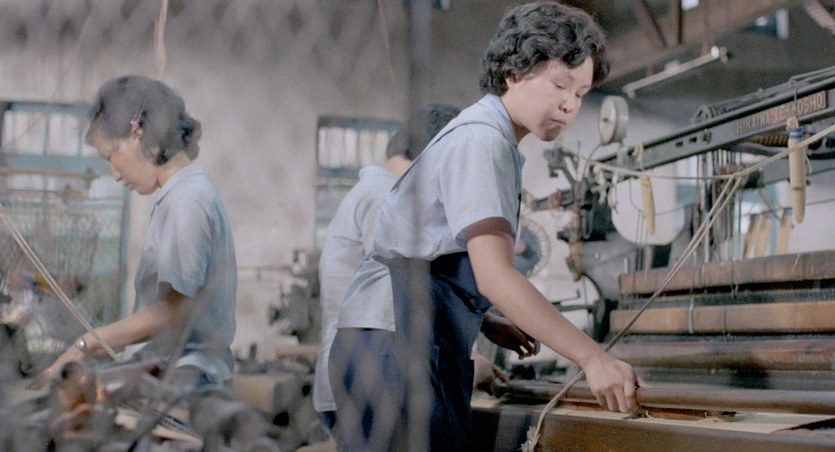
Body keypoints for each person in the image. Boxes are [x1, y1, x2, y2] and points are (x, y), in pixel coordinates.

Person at [331, 2, 641, 451]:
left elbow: (432, 253)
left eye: (581, 93)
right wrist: (593, 358)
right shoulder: (483, 141)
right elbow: (495, 275)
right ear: (514, 73)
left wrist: (485, 321)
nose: (569, 104)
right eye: (560, 85)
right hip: (395, 350)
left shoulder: (483, 136)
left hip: (390, 343)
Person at [317, 104, 538, 437]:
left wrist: (485, 322)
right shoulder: (388, 195)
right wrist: (472, 358)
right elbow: (397, 291)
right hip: (377, 366)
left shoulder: (374, 191)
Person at [31, 75, 237, 390]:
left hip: (186, 381)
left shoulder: (187, 200)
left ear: (139, 133)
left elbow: (172, 311)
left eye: (112, 154)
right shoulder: (181, 195)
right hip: (174, 371)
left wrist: (87, 343)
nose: (114, 174)